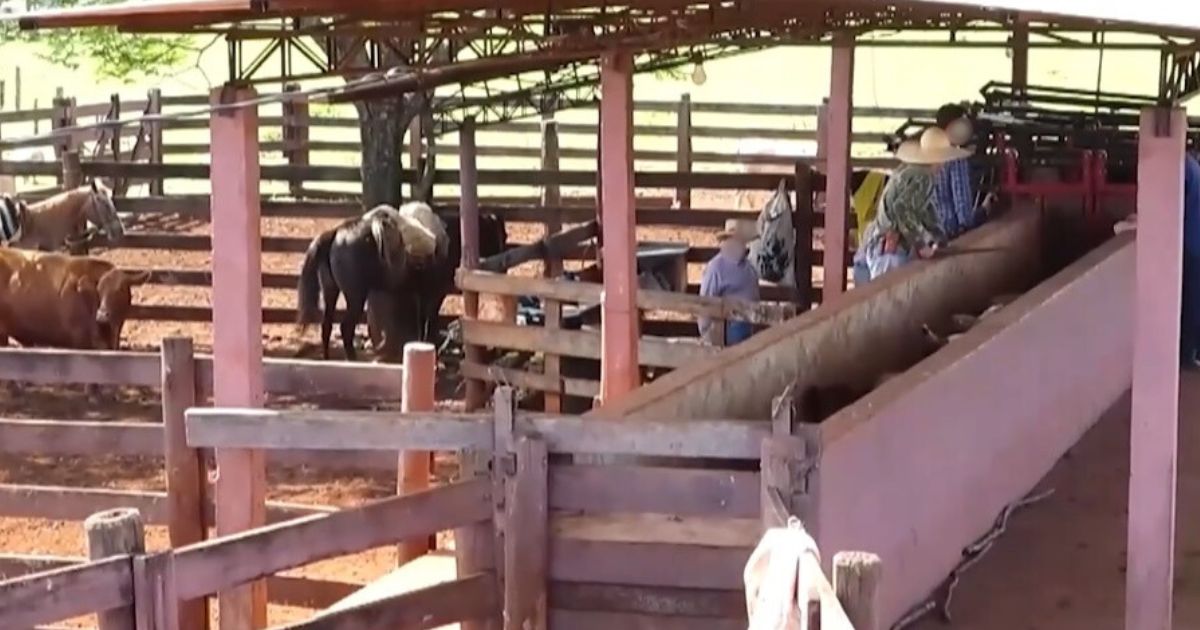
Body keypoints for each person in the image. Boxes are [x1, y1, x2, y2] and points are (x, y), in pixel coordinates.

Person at [853, 127, 969, 283]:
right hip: (890, 246)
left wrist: (938, 236)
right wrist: (921, 243)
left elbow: (926, 209)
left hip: (883, 243)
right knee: (890, 294)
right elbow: (902, 210)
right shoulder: (922, 177)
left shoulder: (911, 171)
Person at [932, 103, 994, 239]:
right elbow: (964, 219)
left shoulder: (925, 154)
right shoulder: (956, 159)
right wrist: (984, 209)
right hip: (947, 233)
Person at [699, 219, 760, 345]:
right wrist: (706, 332)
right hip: (729, 327)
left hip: (750, 322)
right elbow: (705, 302)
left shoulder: (748, 267)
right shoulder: (716, 268)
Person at [1181, 153, 1200, 368]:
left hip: (1191, 243)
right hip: (1194, 241)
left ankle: (1187, 354)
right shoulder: (1192, 168)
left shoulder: (1185, 167)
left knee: (1192, 301)